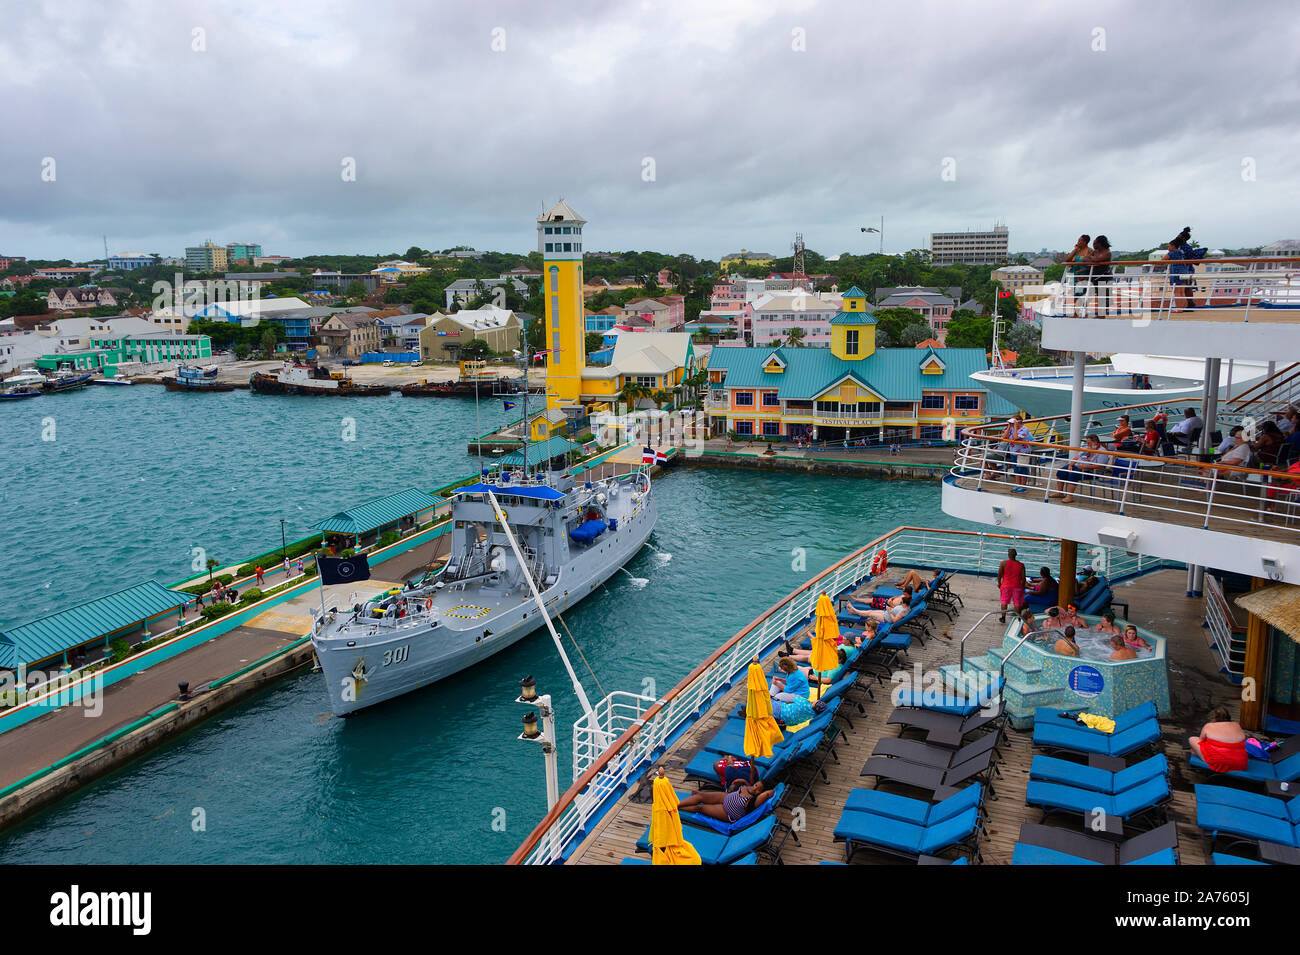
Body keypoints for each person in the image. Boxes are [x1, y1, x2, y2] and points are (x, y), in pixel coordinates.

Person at [1051, 434, 1112, 503]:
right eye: (1087, 443)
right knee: (1061, 472)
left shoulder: (1102, 451)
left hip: (1091, 471)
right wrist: (1071, 465)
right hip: (1079, 466)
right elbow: (1077, 457)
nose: (1088, 444)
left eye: (1089, 443)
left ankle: (1069, 497)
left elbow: (1100, 466)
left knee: (1073, 475)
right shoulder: (1087, 447)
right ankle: (1060, 493)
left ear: (1095, 442)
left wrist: (1085, 466)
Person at [677, 780, 774, 824]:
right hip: (725, 797)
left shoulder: (755, 801)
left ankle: (677, 808)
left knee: (700, 808)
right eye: (756, 785)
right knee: (700, 796)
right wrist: (744, 781)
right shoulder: (750, 786)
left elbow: (769, 793)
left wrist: (765, 790)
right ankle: (676, 804)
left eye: (759, 790)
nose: (755, 788)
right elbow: (750, 786)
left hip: (728, 813)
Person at [1189, 706, 1248, 773]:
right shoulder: (1236, 725)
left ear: (1213, 718)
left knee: (1192, 739)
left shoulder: (1209, 726)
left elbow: (1201, 740)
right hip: (1241, 763)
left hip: (1219, 762)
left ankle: (1197, 753)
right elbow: (1243, 737)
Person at [1165, 227, 1197, 312]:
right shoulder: (1182, 250)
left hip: (1178, 271)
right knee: (1183, 290)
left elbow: (1164, 260)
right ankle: (1184, 306)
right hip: (1185, 270)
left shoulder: (1175, 251)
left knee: (1179, 291)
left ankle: (1181, 307)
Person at [997, 547, 1027, 623]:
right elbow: (1023, 579)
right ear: (1016, 555)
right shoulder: (1021, 565)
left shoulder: (1003, 563)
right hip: (1017, 586)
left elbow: (999, 575)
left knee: (1004, 602)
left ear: (1008, 555)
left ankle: (1003, 618)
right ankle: (1018, 618)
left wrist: (999, 583)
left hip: (1006, 585)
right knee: (1017, 603)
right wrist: (1023, 587)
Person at [1086, 236, 1113, 315]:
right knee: (1099, 296)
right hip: (1096, 277)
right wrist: (1093, 258)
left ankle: (1102, 315)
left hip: (1105, 277)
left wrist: (1093, 258)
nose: (1093, 245)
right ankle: (1100, 315)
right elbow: (1086, 259)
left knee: (1104, 297)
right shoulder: (1095, 252)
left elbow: (1097, 259)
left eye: (1095, 243)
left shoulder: (1107, 252)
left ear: (1100, 244)